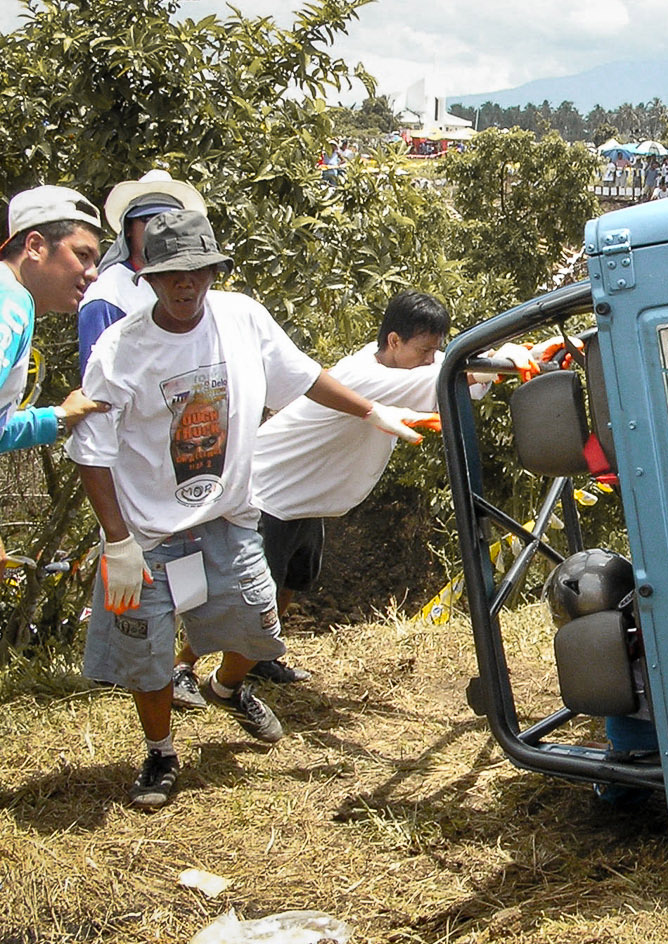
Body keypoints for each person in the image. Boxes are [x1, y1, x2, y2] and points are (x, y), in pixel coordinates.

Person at [68, 209, 427, 808]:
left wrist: (370, 411)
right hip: (148, 531)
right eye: (172, 273)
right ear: (149, 277)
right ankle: (160, 752)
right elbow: (92, 450)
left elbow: (303, 376)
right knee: (147, 655)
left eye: (198, 271)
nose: (186, 284)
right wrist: (118, 541)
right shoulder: (121, 350)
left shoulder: (242, 318)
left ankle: (226, 688)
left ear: (215, 272)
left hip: (228, 515)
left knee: (261, 627)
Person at [168, 290, 533, 699]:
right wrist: (497, 364)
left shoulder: (393, 366)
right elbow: (445, 380)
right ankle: (183, 665)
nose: (431, 358)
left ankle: (258, 659)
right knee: (248, 596)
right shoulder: (363, 376)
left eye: (436, 349)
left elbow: (446, 374)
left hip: (305, 498)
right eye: (424, 350)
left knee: (291, 579)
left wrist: (505, 360)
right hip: (267, 492)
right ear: (394, 341)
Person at [1, 186, 111, 559]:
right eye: (82, 255)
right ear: (35, 246)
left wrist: (59, 418)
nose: (92, 273)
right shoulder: (10, 305)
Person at [78, 169, 206, 375]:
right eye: (149, 219)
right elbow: (95, 380)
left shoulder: (195, 283)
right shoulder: (108, 295)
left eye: (172, 219)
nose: (161, 229)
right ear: (128, 228)